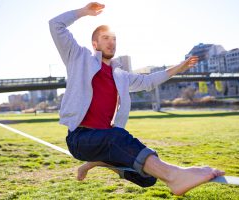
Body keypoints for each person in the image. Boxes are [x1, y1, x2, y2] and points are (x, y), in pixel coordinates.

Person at [49, 2, 225, 196]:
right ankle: (176, 176)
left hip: (106, 138)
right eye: (105, 38)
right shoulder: (78, 57)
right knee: (118, 138)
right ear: (95, 44)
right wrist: (84, 12)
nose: (111, 42)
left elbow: (148, 81)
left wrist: (178, 68)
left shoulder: (121, 76)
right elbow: (55, 24)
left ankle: (97, 162)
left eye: (114, 38)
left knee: (147, 178)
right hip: (81, 139)